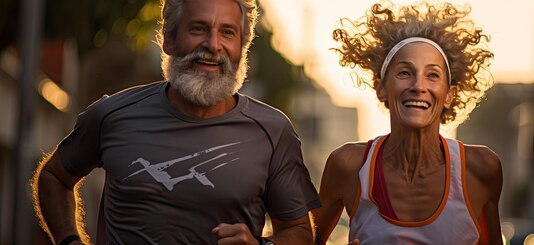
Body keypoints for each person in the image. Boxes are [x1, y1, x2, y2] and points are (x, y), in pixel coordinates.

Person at [31, 0, 321, 244]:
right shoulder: (113, 114)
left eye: (228, 33)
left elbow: (299, 231)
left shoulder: (273, 131)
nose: (213, 45)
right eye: (198, 29)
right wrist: (70, 241)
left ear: (242, 47)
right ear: (169, 39)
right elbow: (54, 177)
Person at [312, 1, 503, 244]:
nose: (418, 86)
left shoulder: (481, 169)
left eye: (432, 75)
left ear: (449, 95)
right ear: (381, 88)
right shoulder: (348, 165)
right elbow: (305, 239)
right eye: (404, 72)